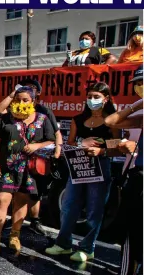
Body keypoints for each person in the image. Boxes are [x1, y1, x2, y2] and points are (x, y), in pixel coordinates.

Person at [46, 82, 120, 262]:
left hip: (101, 167)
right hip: (78, 167)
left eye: (96, 97)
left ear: (106, 99)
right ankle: (63, 244)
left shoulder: (113, 120)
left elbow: (119, 147)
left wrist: (101, 151)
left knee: (95, 209)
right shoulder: (77, 120)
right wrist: (81, 144)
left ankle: (87, 248)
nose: (92, 100)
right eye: (89, 97)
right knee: (69, 206)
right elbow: (69, 143)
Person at [0, 86, 56, 254]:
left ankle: (14, 235)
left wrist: (37, 146)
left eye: (25, 100)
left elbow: (50, 140)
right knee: (1, 200)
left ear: (33, 101)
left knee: (21, 202)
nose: (21, 102)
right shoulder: (6, 119)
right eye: (18, 99)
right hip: (7, 167)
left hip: (30, 169)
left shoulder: (42, 119)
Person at [0, 77, 63, 235]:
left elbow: (56, 134)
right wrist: (14, 94)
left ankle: (34, 220)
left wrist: (57, 154)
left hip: (35, 160)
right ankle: (10, 224)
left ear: (36, 95)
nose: (26, 91)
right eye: (24, 88)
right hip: (13, 160)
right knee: (10, 194)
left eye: (31, 89)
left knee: (33, 193)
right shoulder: (13, 109)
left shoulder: (44, 112)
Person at [103, 65, 143, 275]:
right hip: (139, 179)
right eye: (138, 84)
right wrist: (138, 104)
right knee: (133, 236)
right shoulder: (142, 111)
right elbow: (111, 121)